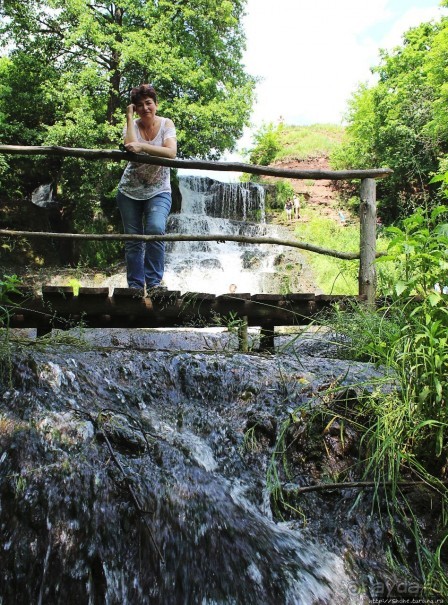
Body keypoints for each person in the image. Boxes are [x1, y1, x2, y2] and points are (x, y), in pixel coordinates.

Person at [116, 83, 177, 295]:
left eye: (148, 103)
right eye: (139, 105)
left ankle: (154, 285)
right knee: (133, 240)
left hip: (159, 189)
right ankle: (134, 287)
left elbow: (171, 153)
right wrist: (129, 116)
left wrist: (143, 147)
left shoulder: (166, 124)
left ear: (156, 105)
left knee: (155, 229)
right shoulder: (131, 125)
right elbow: (130, 147)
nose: (145, 108)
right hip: (129, 191)